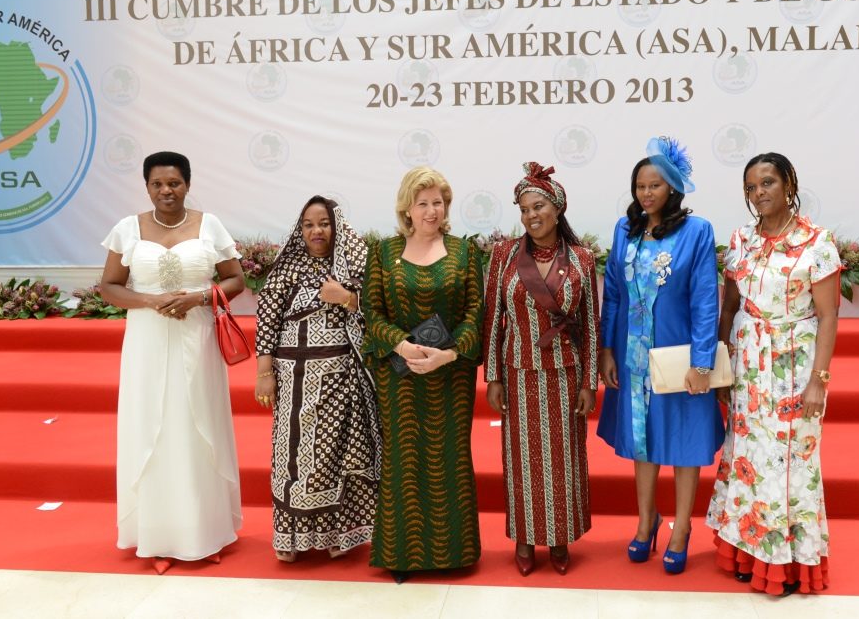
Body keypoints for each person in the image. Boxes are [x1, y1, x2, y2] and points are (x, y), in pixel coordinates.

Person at [99, 151, 245, 575]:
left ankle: (205, 531)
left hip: (196, 339)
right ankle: (158, 534)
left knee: (195, 427)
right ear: (146, 186)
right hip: (145, 341)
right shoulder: (127, 229)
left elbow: (235, 279)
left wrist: (198, 297)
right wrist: (149, 301)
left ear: (188, 184)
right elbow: (109, 287)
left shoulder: (209, 225)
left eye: (175, 183)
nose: (167, 191)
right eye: (158, 184)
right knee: (152, 427)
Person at [706, 152, 840, 596]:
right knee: (749, 460)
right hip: (747, 365)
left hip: (792, 367)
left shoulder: (816, 242)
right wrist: (722, 366)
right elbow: (729, 305)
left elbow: (828, 316)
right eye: (750, 187)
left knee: (789, 465)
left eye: (767, 183)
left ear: (788, 183)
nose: (758, 193)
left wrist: (819, 381)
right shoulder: (741, 239)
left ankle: (785, 566)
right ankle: (747, 551)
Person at [597, 137, 724, 575]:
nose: (646, 193)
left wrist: (702, 361)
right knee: (642, 440)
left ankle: (683, 527)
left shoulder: (697, 231)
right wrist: (606, 349)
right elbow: (612, 293)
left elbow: (706, 299)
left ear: (672, 188)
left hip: (679, 356)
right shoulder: (624, 229)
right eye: (640, 186)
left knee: (685, 443)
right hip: (632, 357)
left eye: (655, 185)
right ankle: (646, 519)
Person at [362, 167, 484, 583]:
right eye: (423, 203)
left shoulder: (464, 252)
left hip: (450, 378)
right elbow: (371, 313)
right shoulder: (383, 252)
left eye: (439, 202)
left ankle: (456, 553)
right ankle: (402, 555)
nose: (432, 211)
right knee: (403, 461)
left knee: (450, 457)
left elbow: (474, 316)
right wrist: (401, 344)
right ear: (407, 208)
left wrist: (446, 356)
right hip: (399, 377)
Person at [483, 163, 600, 577]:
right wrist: (493, 376)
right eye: (524, 209)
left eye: (538, 207)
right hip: (518, 373)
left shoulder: (582, 258)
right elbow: (492, 318)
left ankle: (561, 538)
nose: (531, 216)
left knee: (564, 461)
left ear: (557, 209)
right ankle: (524, 538)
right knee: (521, 462)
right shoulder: (504, 256)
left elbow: (590, 326)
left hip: (565, 375)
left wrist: (590, 383)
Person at [253, 196, 382, 563]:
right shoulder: (287, 268)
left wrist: (346, 298)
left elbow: (380, 309)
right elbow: (267, 324)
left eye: (323, 223)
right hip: (294, 377)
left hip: (343, 376)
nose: (316, 231)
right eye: (308, 224)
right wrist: (264, 373)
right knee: (294, 458)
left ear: (336, 225)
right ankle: (291, 537)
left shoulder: (355, 266)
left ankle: (340, 534)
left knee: (341, 455)